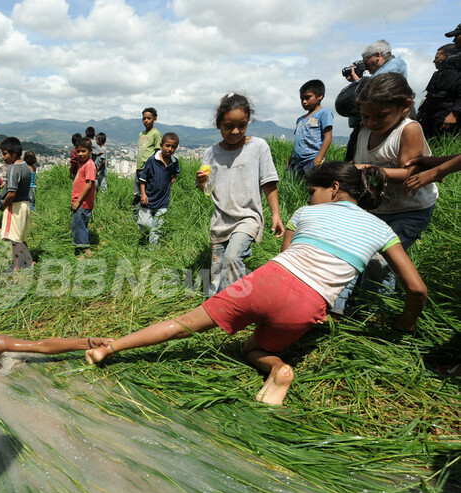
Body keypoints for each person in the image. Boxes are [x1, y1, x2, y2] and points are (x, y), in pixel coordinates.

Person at [87, 162, 427, 406]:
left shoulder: (305, 214)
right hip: (309, 304)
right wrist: (405, 325)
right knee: (253, 350)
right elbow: (416, 289)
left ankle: (109, 349)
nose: (310, 198)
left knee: (186, 323)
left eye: (313, 191)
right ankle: (278, 368)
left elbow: (285, 257)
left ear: (334, 188)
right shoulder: (382, 230)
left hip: (265, 282)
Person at [334, 73, 435, 313]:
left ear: (405, 106)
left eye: (380, 116)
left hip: (409, 210)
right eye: (366, 116)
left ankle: (370, 313)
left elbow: (409, 173)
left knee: (381, 261)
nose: (371, 122)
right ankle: (338, 310)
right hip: (376, 209)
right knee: (354, 253)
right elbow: (357, 162)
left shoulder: (408, 129)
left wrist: (367, 169)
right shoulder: (364, 132)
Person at [195, 93, 284, 297]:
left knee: (233, 258)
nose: (235, 131)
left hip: (247, 218)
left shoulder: (258, 147)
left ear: (248, 121)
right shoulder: (211, 153)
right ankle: (214, 303)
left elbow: (269, 182)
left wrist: (276, 214)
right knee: (217, 270)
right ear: (219, 124)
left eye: (242, 125)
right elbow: (207, 189)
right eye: (229, 126)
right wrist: (201, 182)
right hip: (220, 220)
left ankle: (232, 306)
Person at [340, 40, 408, 161]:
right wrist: (358, 81)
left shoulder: (396, 63)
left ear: (378, 55)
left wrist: (358, 81)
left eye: (366, 61)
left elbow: (375, 86)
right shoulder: (381, 70)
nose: (365, 66)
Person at [416, 28, 461, 140]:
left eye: (457, 36)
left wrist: (454, 113)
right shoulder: (451, 61)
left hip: (447, 113)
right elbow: (434, 90)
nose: (454, 40)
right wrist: (422, 110)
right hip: (433, 112)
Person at [138, 132, 180, 245]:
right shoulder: (152, 160)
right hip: (148, 199)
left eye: (173, 147)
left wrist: (172, 180)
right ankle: (145, 235)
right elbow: (143, 179)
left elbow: (176, 172)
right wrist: (143, 194)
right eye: (167, 145)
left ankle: (153, 250)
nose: (170, 149)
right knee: (144, 223)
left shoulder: (174, 162)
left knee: (157, 228)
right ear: (161, 145)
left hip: (163, 201)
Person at [286, 79, 333, 180]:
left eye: (307, 98)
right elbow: (297, 142)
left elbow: (328, 138)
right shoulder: (300, 120)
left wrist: (318, 159)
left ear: (320, 96)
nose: (304, 102)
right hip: (296, 163)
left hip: (311, 159)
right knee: (294, 186)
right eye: (302, 99)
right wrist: (289, 160)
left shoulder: (324, 113)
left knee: (311, 186)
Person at [0, 137, 34, 271]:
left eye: (5, 154)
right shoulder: (26, 166)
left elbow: (12, 193)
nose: (3, 157)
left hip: (15, 206)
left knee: (15, 239)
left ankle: (16, 267)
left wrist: (3, 205)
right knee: (21, 238)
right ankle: (29, 263)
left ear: (14, 154)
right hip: (25, 204)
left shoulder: (13, 168)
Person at [71, 137, 97, 256]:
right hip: (80, 202)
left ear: (90, 151)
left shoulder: (89, 165)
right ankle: (81, 248)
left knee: (79, 226)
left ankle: (85, 250)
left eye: (83, 151)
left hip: (83, 203)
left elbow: (89, 184)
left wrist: (78, 201)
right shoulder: (83, 164)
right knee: (77, 225)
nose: (80, 154)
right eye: (78, 151)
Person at [134, 108, 161, 216]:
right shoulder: (141, 133)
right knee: (137, 193)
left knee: (146, 192)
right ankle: (136, 215)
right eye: (144, 118)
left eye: (149, 118)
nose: (146, 120)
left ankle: (147, 215)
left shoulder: (156, 134)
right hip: (139, 167)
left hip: (148, 168)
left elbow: (157, 152)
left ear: (154, 119)